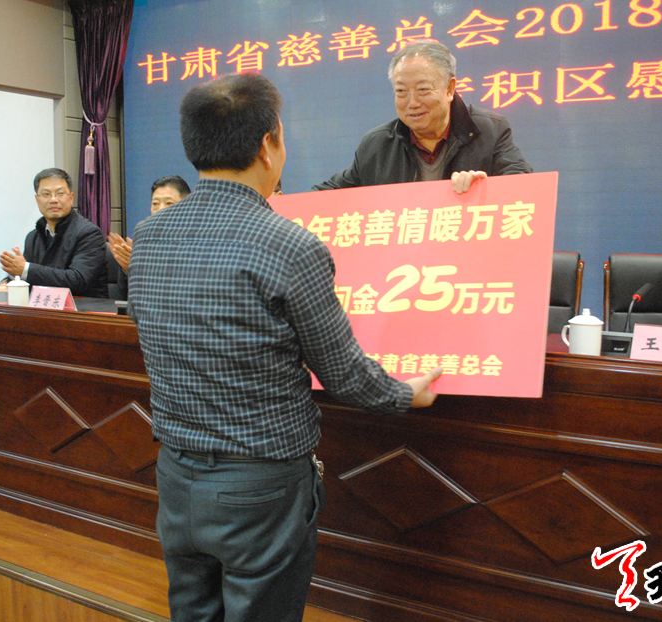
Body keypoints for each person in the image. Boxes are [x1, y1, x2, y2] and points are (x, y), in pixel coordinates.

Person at [128, 73, 442, 622]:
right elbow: (344, 375)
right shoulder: (289, 244)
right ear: (268, 143)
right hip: (261, 486)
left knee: (192, 612)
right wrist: (403, 394)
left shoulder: (149, 235)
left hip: (176, 474)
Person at [314, 40, 531, 194]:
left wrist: (486, 187)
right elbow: (330, 193)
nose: (412, 103)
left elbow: (523, 185)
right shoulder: (376, 145)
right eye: (401, 91)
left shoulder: (490, 130)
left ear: (449, 89)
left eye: (423, 90)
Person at [0, 168, 107, 298]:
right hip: (44, 306)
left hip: (84, 308)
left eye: (60, 193)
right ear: (37, 199)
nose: (53, 200)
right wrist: (8, 282)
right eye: (46, 194)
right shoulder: (33, 237)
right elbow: (28, 276)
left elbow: (78, 280)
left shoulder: (89, 233)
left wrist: (25, 269)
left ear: (71, 198)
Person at [107, 175, 191, 274]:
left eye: (169, 203)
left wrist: (144, 268)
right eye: (155, 204)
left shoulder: (198, 240)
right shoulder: (143, 236)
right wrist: (130, 269)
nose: (160, 209)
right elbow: (126, 284)